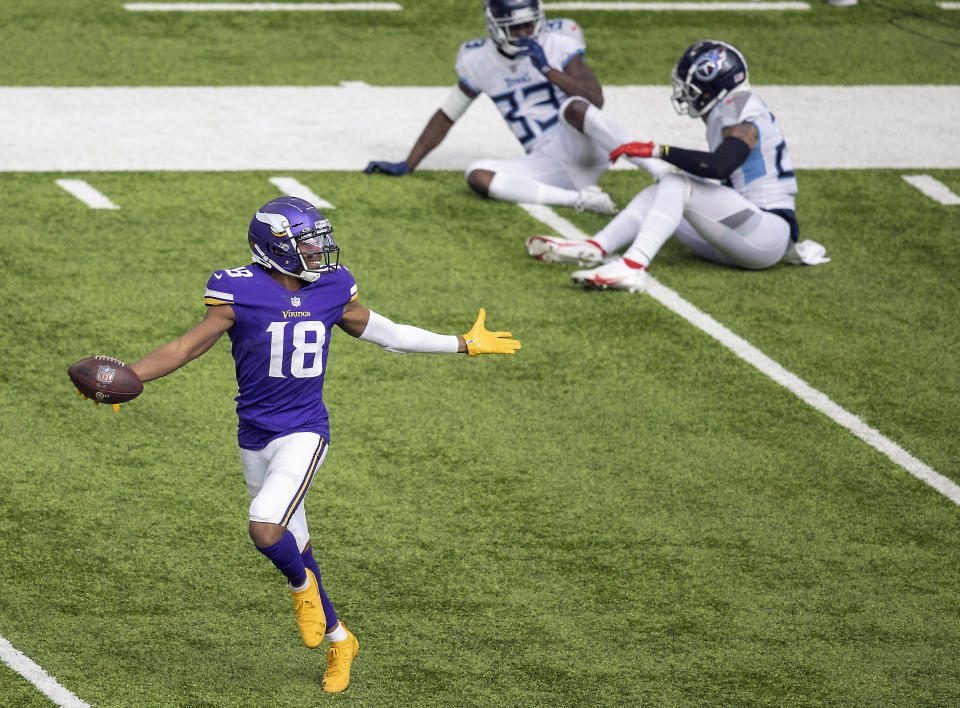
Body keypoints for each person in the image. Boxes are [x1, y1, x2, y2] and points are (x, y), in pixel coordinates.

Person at [100, 196, 520, 693]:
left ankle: (303, 591)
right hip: (253, 435)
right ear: (275, 247)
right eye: (307, 243)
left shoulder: (332, 290)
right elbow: (187, 346)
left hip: (303, 433)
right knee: (293, 541)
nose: (320, 252)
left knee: (263, 528)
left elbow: (390, 334)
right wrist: (131, 378)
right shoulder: (238, 290)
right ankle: (342, 641)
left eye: (320, 241)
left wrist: (462, 342)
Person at [525, 39, 829, 292]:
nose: (685, 94)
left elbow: (719, 166)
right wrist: (653, 154)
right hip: (743, 230)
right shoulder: (729, 108)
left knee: (677, 183)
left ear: (716, 86)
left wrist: (658, 150)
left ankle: (632, 266)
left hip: (767, 231)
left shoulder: (742, 110)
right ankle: (597, 247)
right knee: (663, 187)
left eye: (692, 88)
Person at [364, 0, 648, 215]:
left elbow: (594, 100)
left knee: (575, 106)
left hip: (585, 145)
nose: (525, 33)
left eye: (529, 24)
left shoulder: (559, 41)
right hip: (547, 160)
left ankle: (652, 163)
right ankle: (583, 200)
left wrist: (548, 69)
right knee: (478, 174)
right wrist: (408, 163)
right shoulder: (478, 59)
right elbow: (448, 113)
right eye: (516, 27)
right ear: (495, 27)